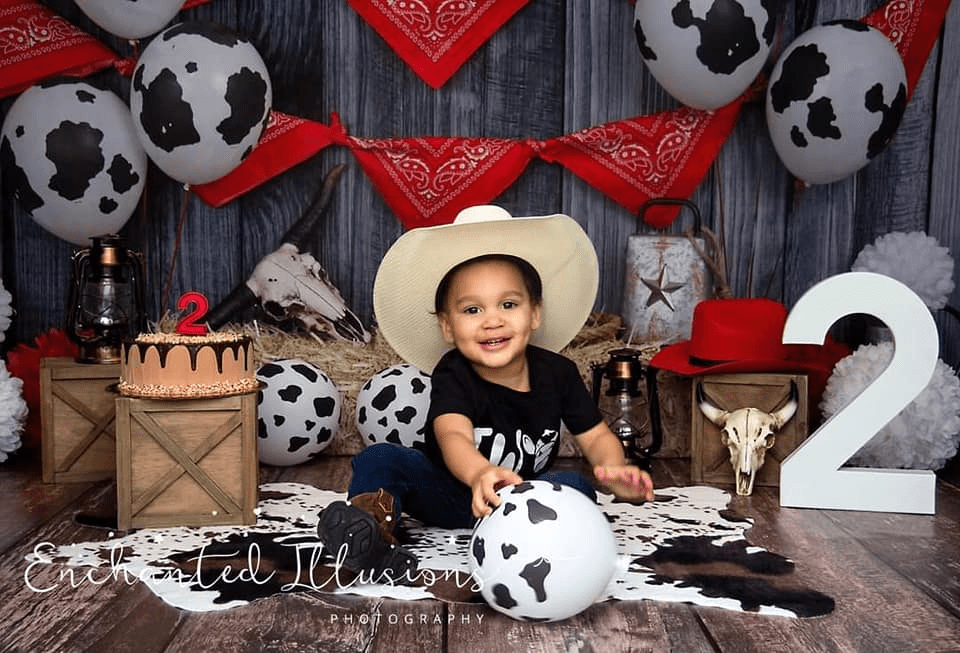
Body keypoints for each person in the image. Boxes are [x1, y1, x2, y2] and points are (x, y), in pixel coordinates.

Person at [316, 205, 655, 584]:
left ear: (535, 314)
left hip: (521, 503)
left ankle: (538, 545)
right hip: (447, 494)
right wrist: (479, 473)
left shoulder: (558, 373)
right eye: (472, 309)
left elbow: (595, 436)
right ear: (448, 326)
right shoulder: (454, 372)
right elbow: (453, 434)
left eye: (508, 304)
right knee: (382, 458)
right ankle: (372, 529)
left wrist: (614, 471)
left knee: (575, 487)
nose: (492, 320)